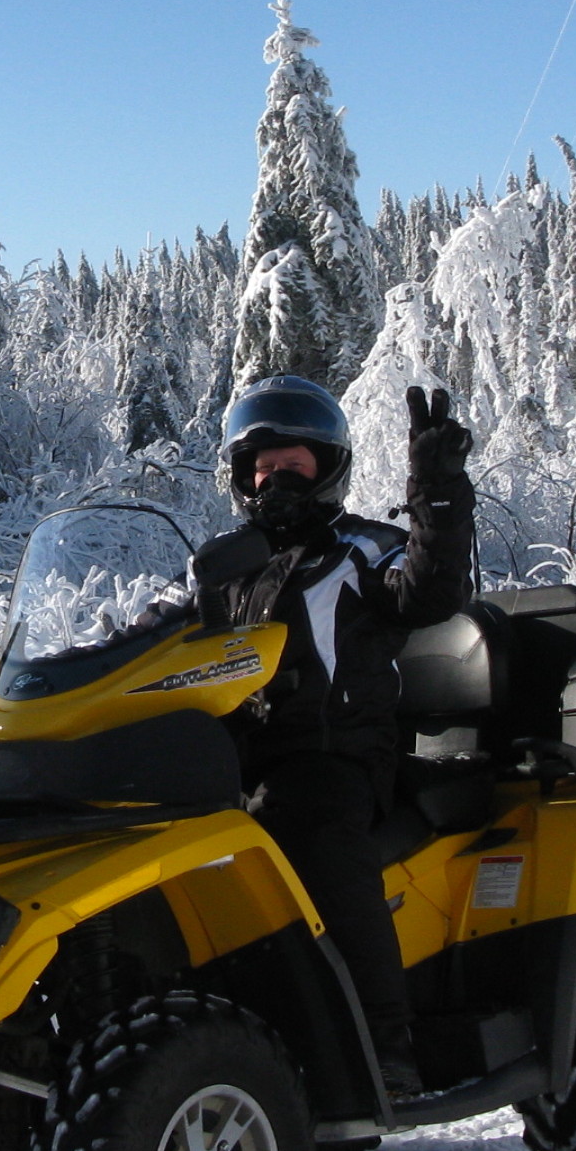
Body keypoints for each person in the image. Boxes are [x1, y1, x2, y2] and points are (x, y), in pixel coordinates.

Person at [201, 374, 476, 1100]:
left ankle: (383, 1044)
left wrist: (438, 493)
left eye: (293, 467)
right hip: (233, 765)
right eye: (261, 470)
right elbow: (153, 632)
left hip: (336, 759)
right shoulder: (226, 567)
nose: (275, 483)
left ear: (326, 471)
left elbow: (432, 587)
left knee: (307, 823)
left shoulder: (363, 550)